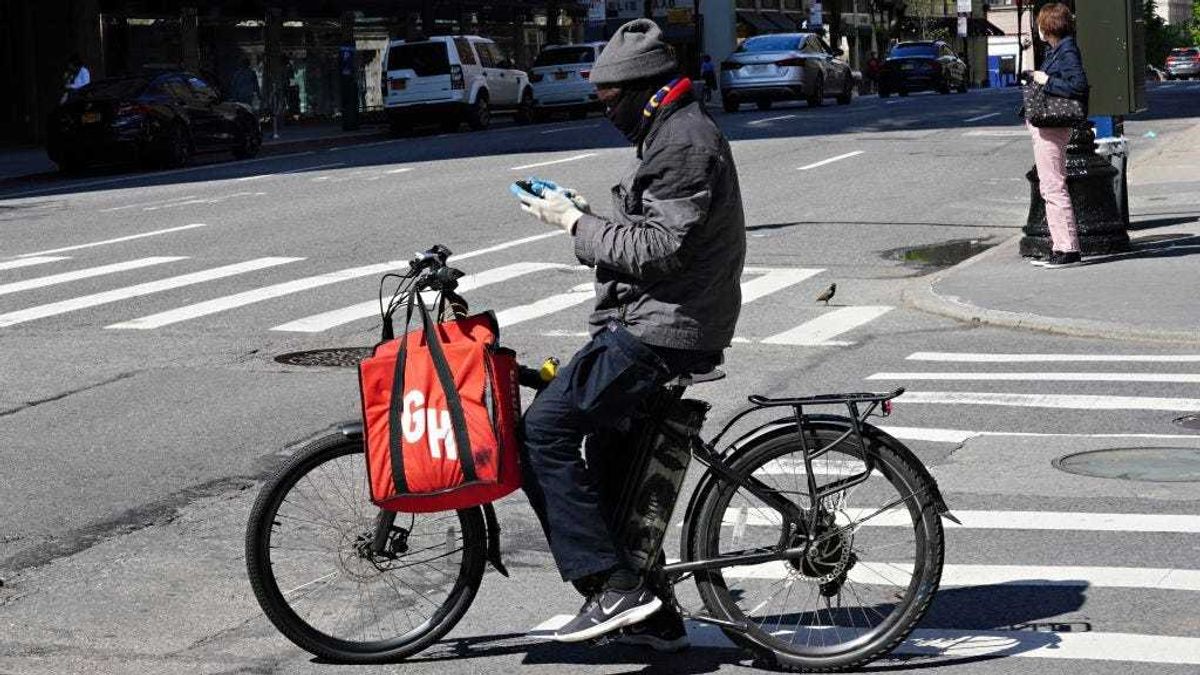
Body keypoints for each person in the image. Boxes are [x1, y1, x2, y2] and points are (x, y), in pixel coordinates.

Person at [514, 18, 746, 648]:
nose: (605, 110)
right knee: (612, 464)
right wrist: (582, 214)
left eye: (609, 100)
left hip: (665, 325)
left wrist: (570, 224)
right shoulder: (668, 132)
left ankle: (612, 588)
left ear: (645, 90)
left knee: (543, 430)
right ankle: (655, 614)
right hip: (654, 316)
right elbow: (648, 236)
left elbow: (660, 250)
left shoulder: (682, 143)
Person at [1026, 2, 1089, 269]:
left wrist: (1044, 80)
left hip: (1052, 127)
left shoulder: (1066, 50)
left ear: (1047, 26)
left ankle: (1067, 249)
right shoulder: (1057, 49)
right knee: (1050, 185)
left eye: (1040, 24)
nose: (1038, 29)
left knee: (1053, 186)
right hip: (1046, 126)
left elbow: (1078, 85)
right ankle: (1060, 246)